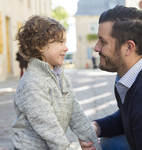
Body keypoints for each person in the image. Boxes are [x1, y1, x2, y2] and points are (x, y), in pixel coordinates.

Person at [11, 15, 101, 150]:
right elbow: (48, 127)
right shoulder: (32, 82)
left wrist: (91, 141)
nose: (66, 48)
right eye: (60, 42)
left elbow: (75, 113)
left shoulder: (61, 77)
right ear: (41, 46)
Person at [80, 5, 142, 150]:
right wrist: (97, 126)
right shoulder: (126, 77)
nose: (96, 47)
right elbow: (129, 116)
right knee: (108, 143)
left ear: (128, 48)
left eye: (103, 42)